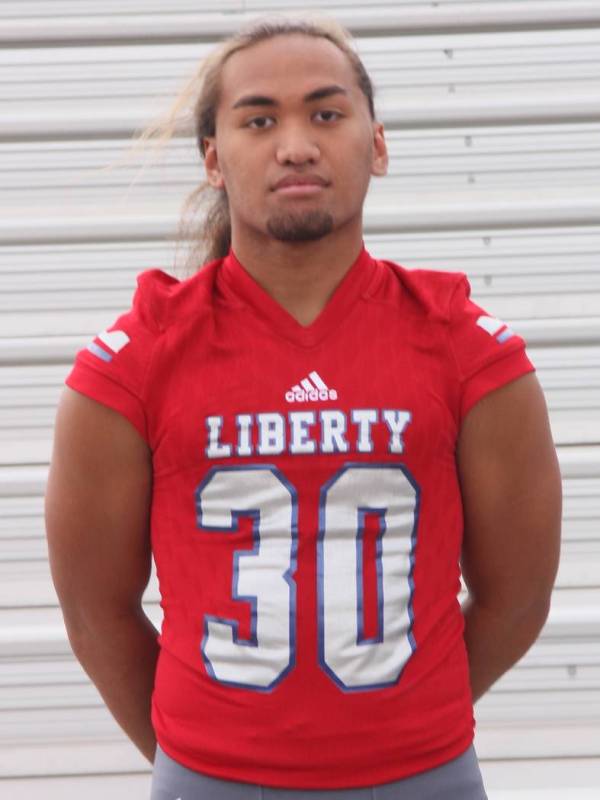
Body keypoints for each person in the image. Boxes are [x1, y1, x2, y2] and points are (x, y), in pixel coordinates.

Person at [45, 15, 562, 800]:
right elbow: (95, 614)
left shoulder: (466, 346)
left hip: (424, 775)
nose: (295, 145)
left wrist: (409, 720)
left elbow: (518, 594)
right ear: (215, 160)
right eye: (259, 120)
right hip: (210, 778)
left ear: (377, 144)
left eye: (326, 113)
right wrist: (201, 749)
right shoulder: (137, 358)